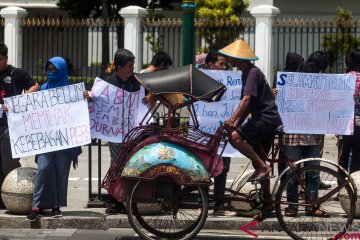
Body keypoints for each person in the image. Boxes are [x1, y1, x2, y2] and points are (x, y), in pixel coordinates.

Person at [219, 40, 283, 219]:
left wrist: (232, 122)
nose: (228, 60)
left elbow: (246, 99)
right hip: (266, 120)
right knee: (258, 161)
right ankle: (269, 203)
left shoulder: (252, 73)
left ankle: (264, 168)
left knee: (236, 138)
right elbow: (248, 105)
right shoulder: (247, 73)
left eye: (231, 57)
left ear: (238, 58)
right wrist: (236, 123)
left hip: (265, 119)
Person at [26, 57, 82, 221]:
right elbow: (27, 108)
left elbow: (80, 112)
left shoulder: (72, 92)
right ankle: (36, 206)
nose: (50, 72)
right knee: (43, 169)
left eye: (54, 70)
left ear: (62, 71)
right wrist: (12, 108)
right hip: (46, 140)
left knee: (60, 172)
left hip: (64, 141)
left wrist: (85, 98)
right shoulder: (42, 90)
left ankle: (56, 206)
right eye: (48, 69)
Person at [85, 49, 141, 214]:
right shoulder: (108, 83)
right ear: (120, 67)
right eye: (130, 66)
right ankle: (115, 200)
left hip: (132, 133)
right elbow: (95, 98)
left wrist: (149, 98)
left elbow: (145, 97)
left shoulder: (136, 82)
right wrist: (89, 97)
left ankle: (126, 199)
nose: (132, 68)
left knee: (130, 166)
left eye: (133, 65)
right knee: (117, 165)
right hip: (115, 134)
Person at [283, 51, 329, 218]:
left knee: (306, 173)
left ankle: (307, 205)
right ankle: (295, 205)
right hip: (295, 135)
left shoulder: (322, 85)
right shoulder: (292, 82)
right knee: (296, 173)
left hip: (312, 136)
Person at [0, 42, 40, 209]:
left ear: (6, 58)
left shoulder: (16, 73)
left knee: (8, 162)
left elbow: (36, 86)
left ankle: (12, 195)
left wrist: (18, 102)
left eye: (0, 59)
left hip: (10, 126)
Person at [200, 51, 233, 216]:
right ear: (210, 65)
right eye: (221, 63)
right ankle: (203, 202)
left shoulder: (230, 81)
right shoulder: (201, 80)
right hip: (204, 133)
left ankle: (219, 204)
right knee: (203, 167)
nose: (224, 67)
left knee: (223, 167)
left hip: (222, 133)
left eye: (225, 64)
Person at [338, 49, 360, 173]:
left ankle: (341, 180)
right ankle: (354, 181)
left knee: (344, 151)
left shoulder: (344, 77)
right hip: (358, 118)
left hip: (344, 117)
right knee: (357, 151)